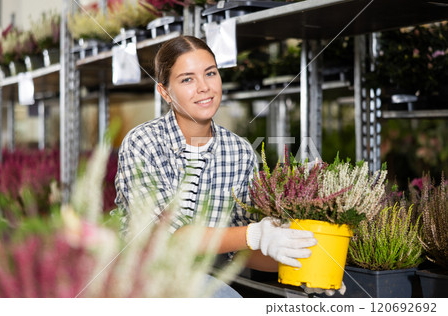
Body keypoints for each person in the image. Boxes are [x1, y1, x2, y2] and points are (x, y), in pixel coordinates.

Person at [114, 35, 319, 296]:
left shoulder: (240, 151)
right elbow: (174, 238)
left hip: (208, 282)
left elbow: (241, 251)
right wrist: (256, 234)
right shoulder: (143, 143)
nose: (204, 87)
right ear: (164, 92)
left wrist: (307, 267)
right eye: (187, 79)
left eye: (210, 73)